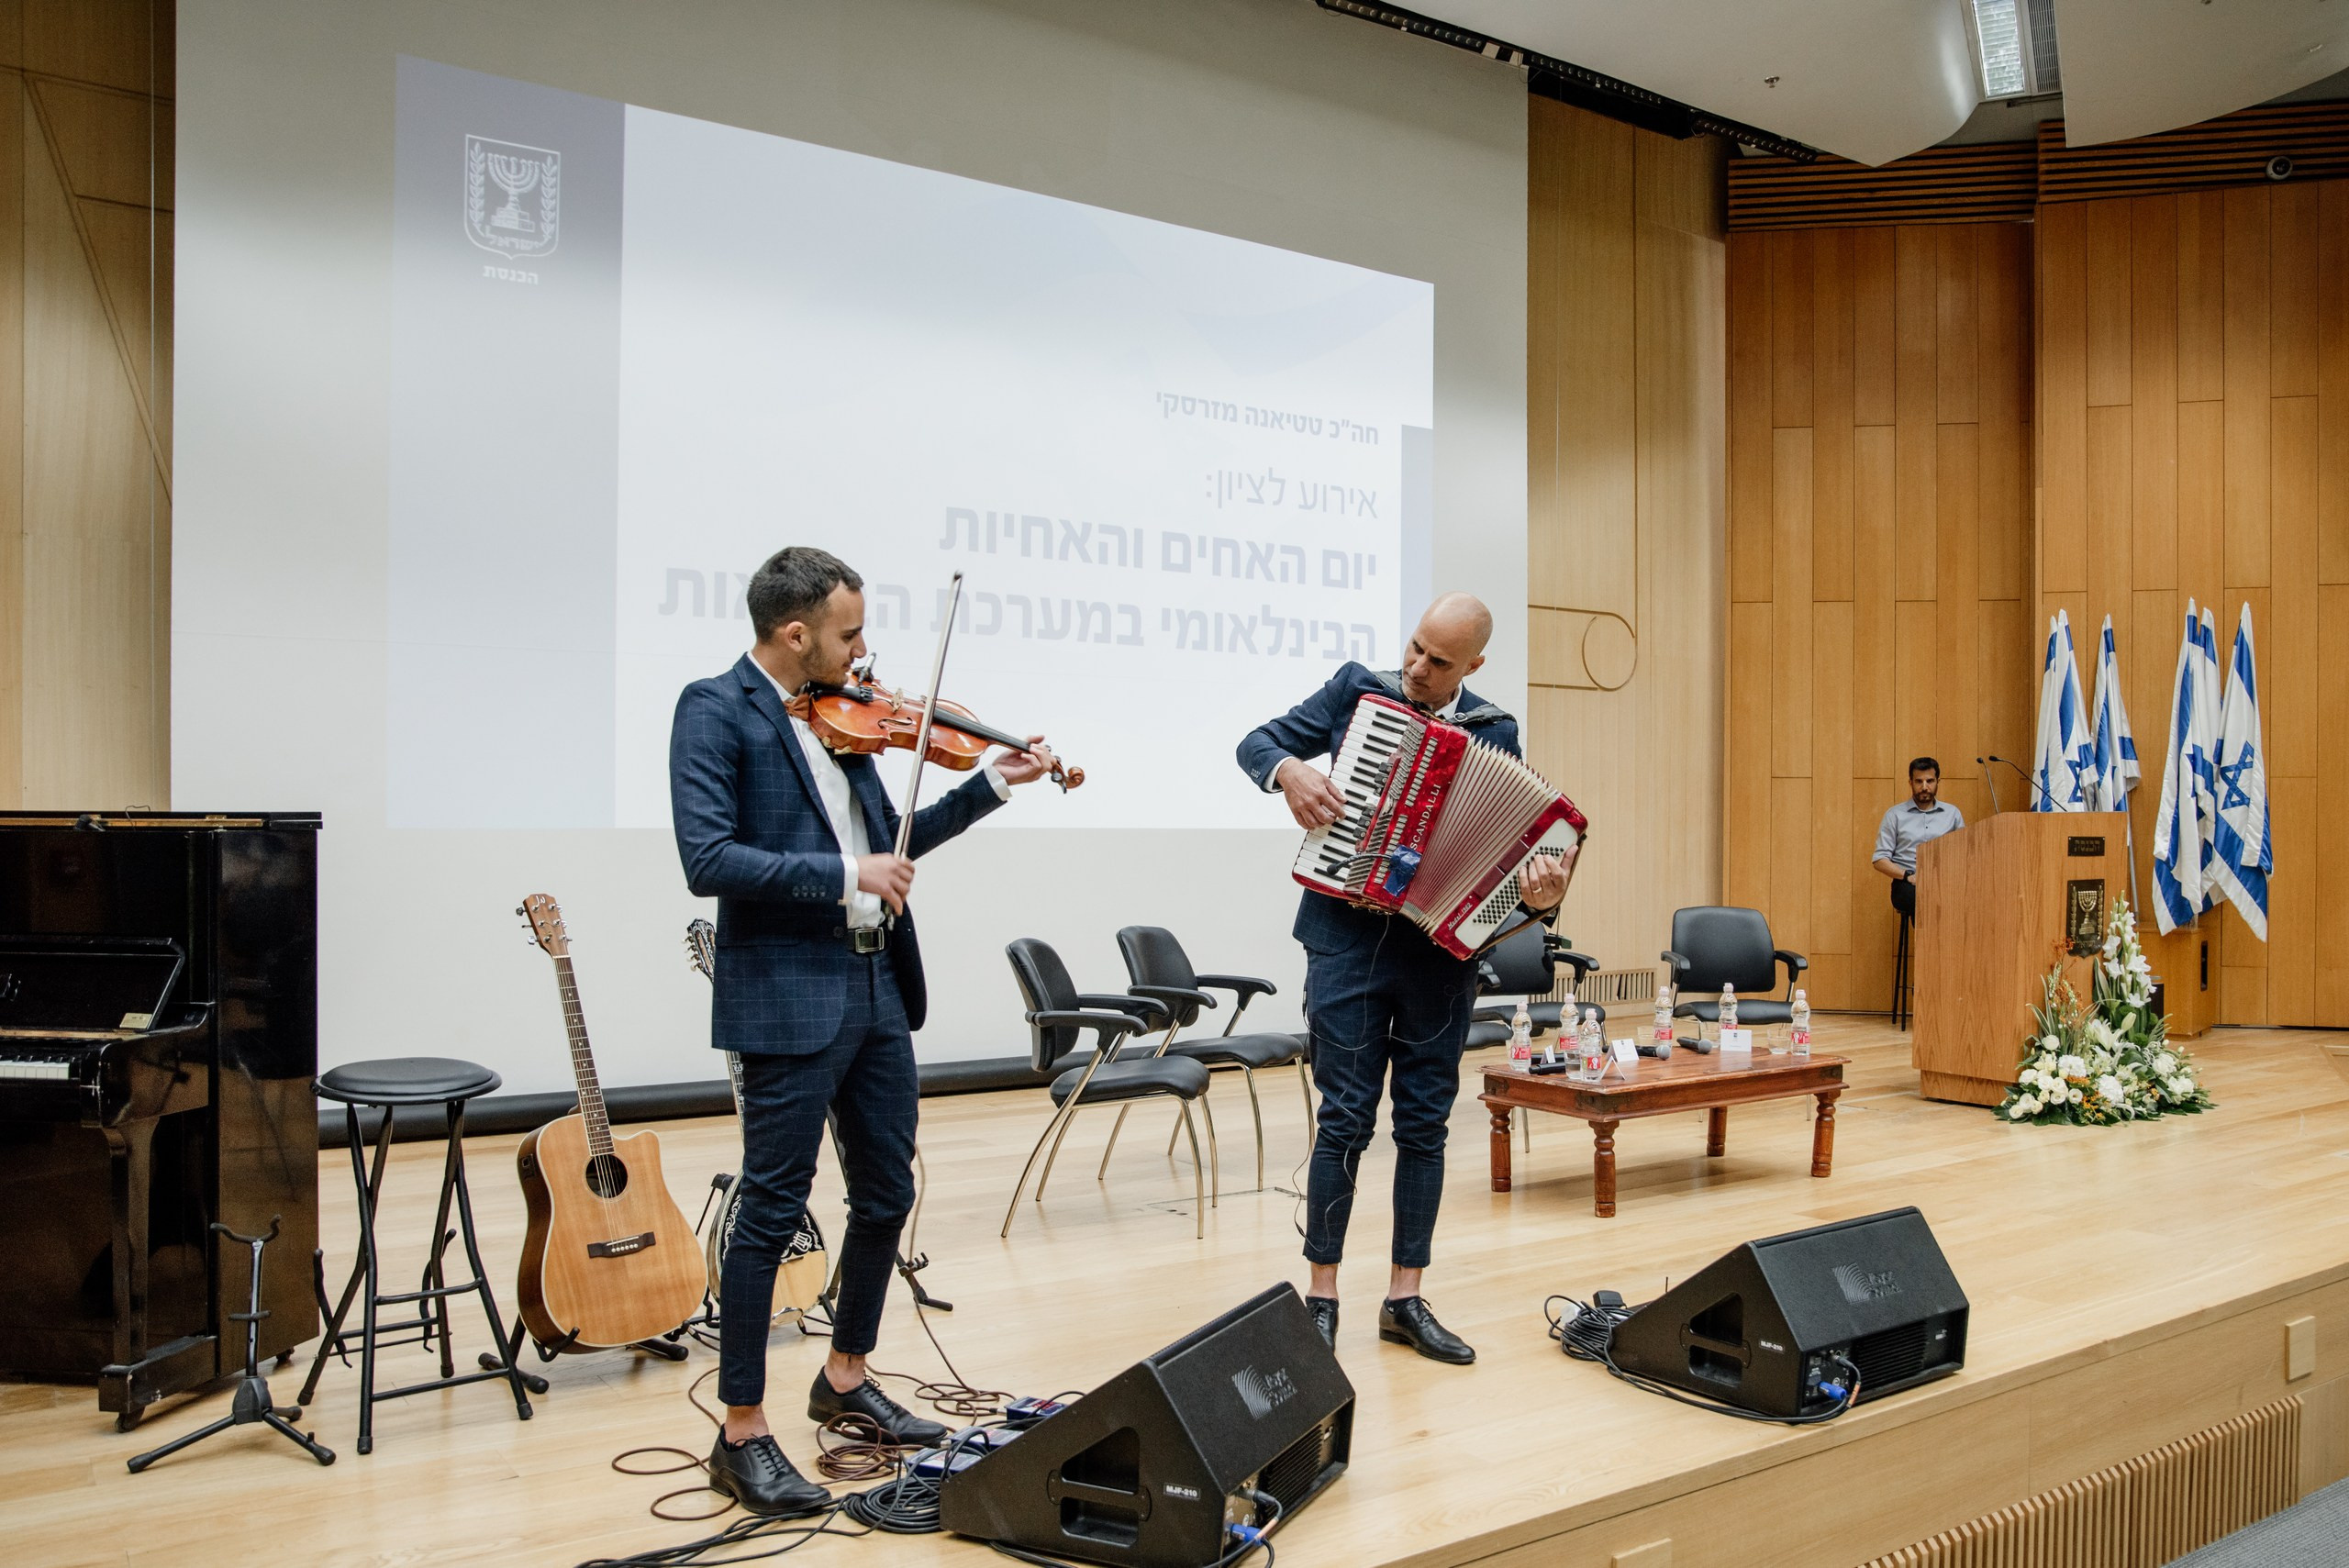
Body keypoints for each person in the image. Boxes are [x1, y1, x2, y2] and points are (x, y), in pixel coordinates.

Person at [670, 547, 1058, 1516]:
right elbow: (707, 855)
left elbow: (888, 846)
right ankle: (743, 1429)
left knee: (887, 1189)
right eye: (849, 633)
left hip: (876, 984)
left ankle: (844, 1377)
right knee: (771, 1205)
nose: (864, 650)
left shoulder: (842, 725)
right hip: (787, 993)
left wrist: (992, 785)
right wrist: (849, 877)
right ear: (795, 633)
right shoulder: (716, 708)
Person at [1235, 593, 1573, 1365]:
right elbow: (1256, 742)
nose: (1418, 668)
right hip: (1346, 943)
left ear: (1475, 668)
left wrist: (1540, 894)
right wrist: (1288, 771)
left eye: (1440, 661)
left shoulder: (1495, 732)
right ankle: (1320, 1297)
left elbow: (1504, 866)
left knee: (1424, 1125)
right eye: (1416, 648)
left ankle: (1405, 1299)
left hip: (1437, 959)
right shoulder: (1358, 691)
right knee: (1346, 1117)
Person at [1872, 756, 1965, 917]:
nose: (1924, 787)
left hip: (1945, 881)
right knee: (1923, 898)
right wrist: (1908, 876)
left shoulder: (1952, 814)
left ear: (1938, 781)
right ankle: (1931, 943)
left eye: (1930, 781)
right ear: (1910, 783)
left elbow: (1965, 853)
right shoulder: (1895, 815)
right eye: (1918, 781)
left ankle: (1953, 941)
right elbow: (1880, 860)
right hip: (1908, 883)